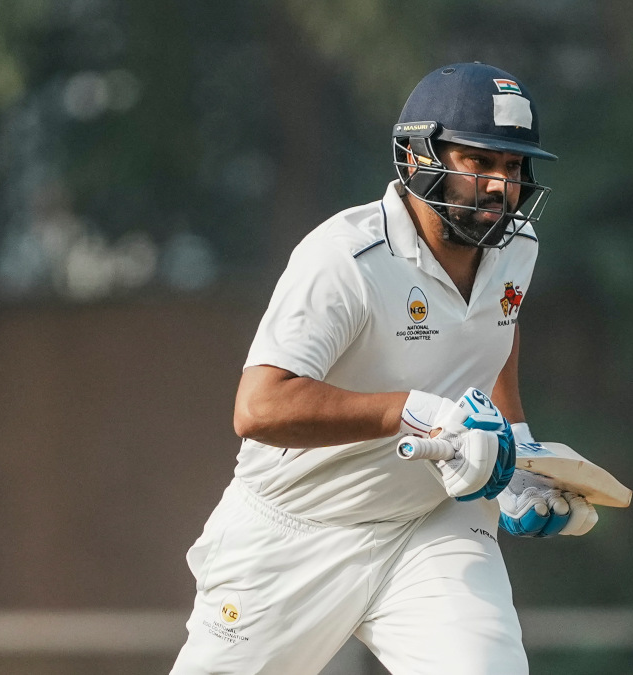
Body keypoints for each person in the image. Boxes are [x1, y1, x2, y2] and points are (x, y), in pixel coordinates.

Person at [170, 62, 599, 675]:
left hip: (430, 524)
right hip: (296, 530)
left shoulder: (517, 245)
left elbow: (494, 325)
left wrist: (518, 457)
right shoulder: (345, 259)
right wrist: (411, 412)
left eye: (513, 168)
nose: (501, 188)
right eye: (479, 163)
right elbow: (258, 408)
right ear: (418, 156)